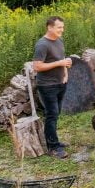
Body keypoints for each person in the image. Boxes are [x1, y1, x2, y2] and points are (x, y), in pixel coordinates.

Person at [32, 16, 72, 158]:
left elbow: (62, 59)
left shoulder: (59, 40)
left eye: (62, 27)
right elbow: (37, 66)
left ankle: (54, 141)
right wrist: (60, 63)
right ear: (50, 27)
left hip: (61, 83)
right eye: (59, 27)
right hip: (47, 86)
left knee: (56, 114)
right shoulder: (42, 44)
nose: (62, 29)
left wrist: (65, 74)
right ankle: (53, 147)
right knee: (51, 115)